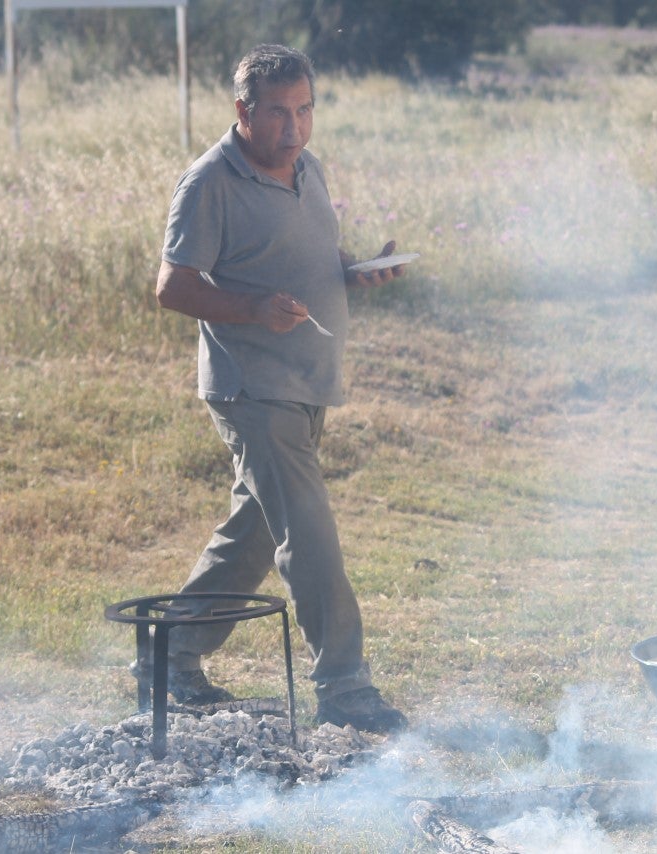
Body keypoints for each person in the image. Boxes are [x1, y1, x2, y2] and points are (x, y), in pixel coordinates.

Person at [148, 44, 409, 734]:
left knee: (257, 532)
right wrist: (254, 308)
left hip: (308, 381)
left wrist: (357, 273)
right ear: (243, 111)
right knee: (308, 527)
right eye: (277, 114)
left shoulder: (307, 168)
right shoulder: (209, 182)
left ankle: (169, 658)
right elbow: (173, 287)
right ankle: (345, 687)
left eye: (304, 111)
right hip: (250, 385)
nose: (293, 129)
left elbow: (313, 260)